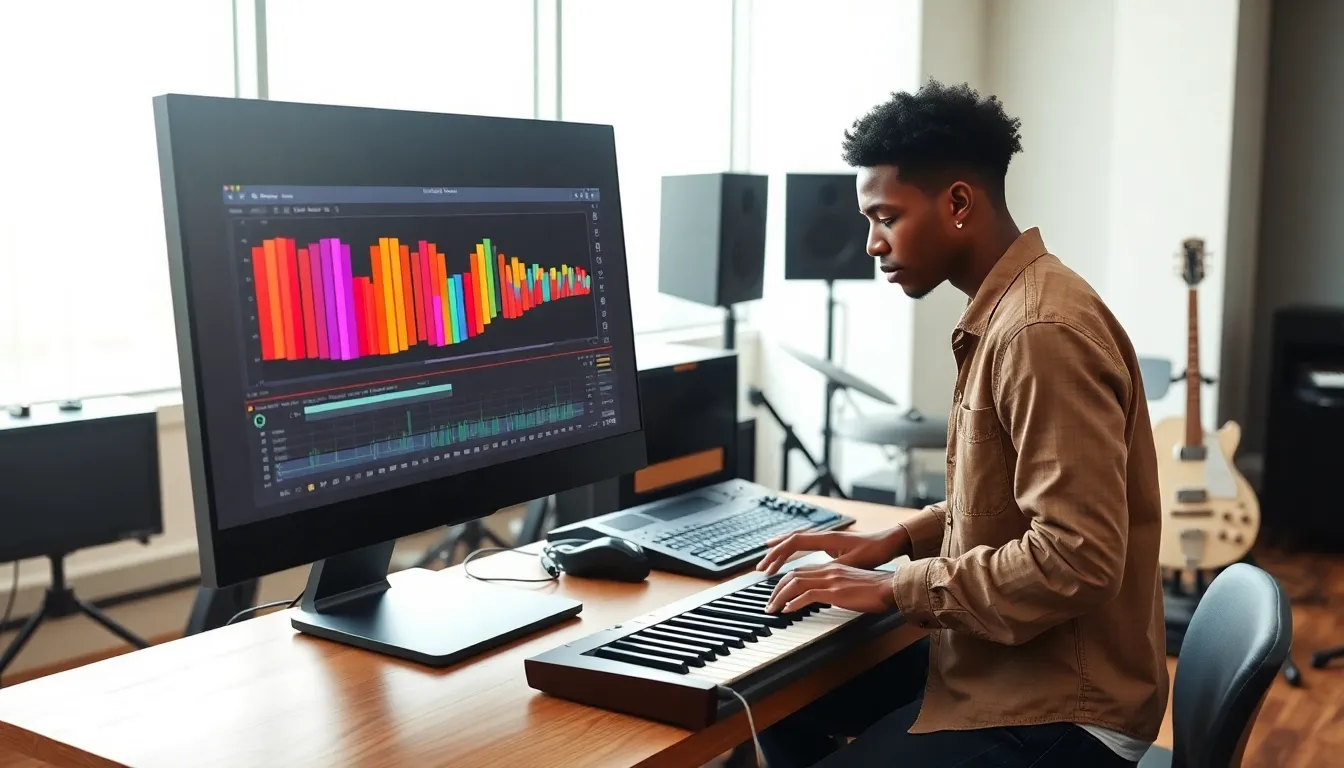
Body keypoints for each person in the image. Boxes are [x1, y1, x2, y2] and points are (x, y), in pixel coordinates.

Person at [751, 80, 1169, 766]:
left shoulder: (1040, 330)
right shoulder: (1013, 308)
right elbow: (1013, 497)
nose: (871, 244)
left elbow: (1076, 559)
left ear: (957, 204)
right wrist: (896, 538)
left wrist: (894, 588)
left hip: (1068, 705)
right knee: (782, 695)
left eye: (885, 216)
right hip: (1017, 665)